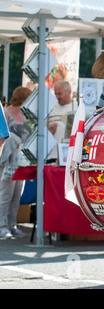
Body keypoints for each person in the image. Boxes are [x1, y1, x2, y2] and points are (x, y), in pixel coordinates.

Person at [0, 86, 32, 239]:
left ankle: (12, 224)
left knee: (17, 195)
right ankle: (2, 226)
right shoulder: (6, 113)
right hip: (8, 160)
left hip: (21, 160)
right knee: (5, 194)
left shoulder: (26, 113)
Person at [47, 80, 77, 162]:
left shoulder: (77, 107)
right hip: (52, 155)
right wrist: (49, 132)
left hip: (70, 155)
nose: (57, 97)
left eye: (59, 94)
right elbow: (42, 132)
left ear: (69, 92)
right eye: (55, 94)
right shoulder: (50, 108)